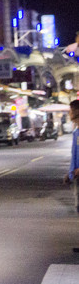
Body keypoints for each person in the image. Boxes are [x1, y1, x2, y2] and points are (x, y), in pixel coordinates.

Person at [65, 101, 79, 252]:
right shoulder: (76, 132)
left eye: (71, 111)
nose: (69, 113)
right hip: (75, 176)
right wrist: (69, 173)